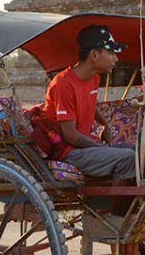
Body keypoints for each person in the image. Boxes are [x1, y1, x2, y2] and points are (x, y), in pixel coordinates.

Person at [42, 25, 137, 192]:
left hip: (85, 146)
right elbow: (70, 136)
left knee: (139, 151)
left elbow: (90, 104)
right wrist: (100, 147)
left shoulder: (94, 79)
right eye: (111, 53)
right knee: (128, 158)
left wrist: (105, 124)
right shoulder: (63, 84)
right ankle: (114, 215)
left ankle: (129, 210)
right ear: (94, 55)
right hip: (69, 152)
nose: (116, 58)